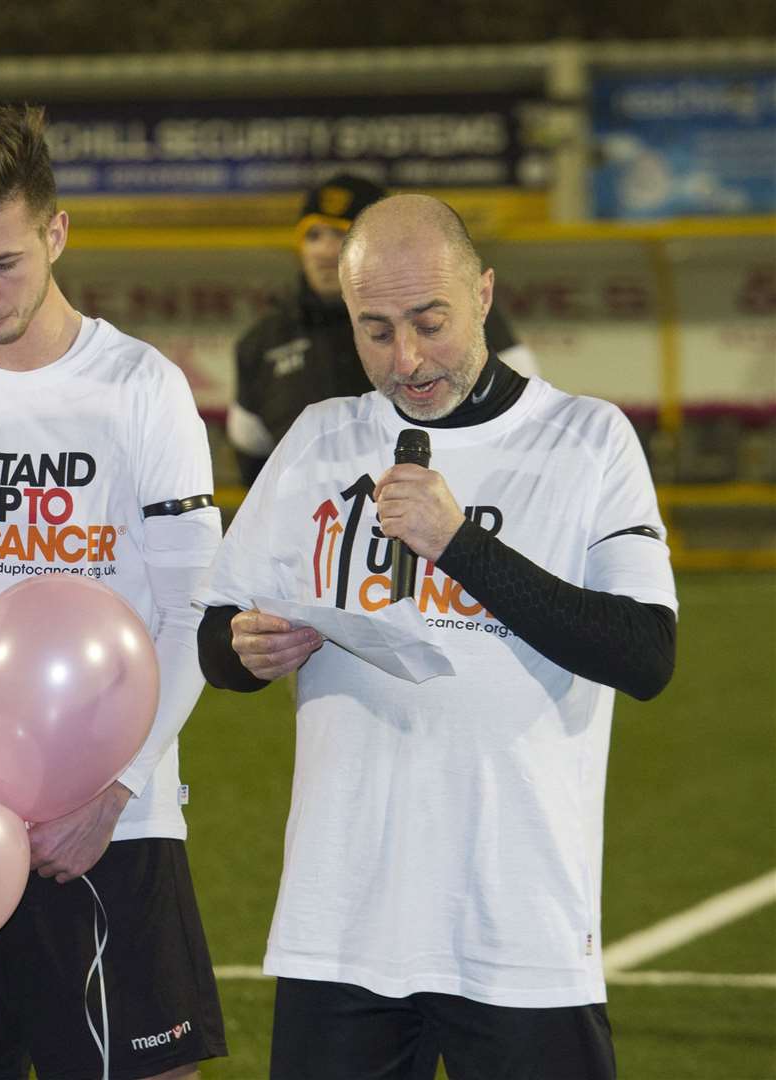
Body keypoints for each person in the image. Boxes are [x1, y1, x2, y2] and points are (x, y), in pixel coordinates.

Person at [197, 193, 678, 1080]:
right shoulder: (319, 438)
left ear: (484, 293)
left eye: (430, 321)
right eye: (374, 330)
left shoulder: (584, 439)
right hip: (337, 927)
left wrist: (459, 544)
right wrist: (244, 649)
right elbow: (213, 641)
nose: (407, 359)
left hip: (518, 928)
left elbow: (643, 656)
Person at [0, 104, 228, 1080]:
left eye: (3, 263)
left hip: (108, 826)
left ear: (57, 233)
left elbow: (196, 609)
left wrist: (117, 786)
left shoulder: (142, 389)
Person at [227, 172, 538, 485]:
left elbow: (521, 415)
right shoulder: (264, 341)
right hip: (319, 525)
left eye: (340, 235)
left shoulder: (462, 312)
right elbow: (254, 460)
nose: (324, 250)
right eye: (313, 235)